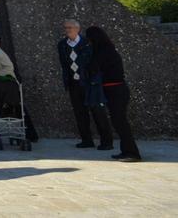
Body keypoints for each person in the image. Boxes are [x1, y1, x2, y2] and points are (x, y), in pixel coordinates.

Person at [84, 27, 141, 162]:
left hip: (115, 90)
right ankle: (126, 150)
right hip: (116, 90)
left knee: (120, 122)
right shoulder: (108, 49)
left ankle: (132, 153)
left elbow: (92, 67)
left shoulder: (103, 51)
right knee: (119, 122)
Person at [56, 19, 113, 150]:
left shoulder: (88, 43)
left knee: (98, 112)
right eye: (65, 28)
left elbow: (94, 62)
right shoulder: (62, 45)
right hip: (74, 84)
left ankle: (106, 141)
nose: (67, 30)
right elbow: (64, 64)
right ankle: (86, 140)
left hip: (89, 83)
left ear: (77, 29)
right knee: (80, 113)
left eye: (70, 27)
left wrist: (93, 78)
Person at [0, 34, 38, 142]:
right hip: (7, 87)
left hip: (7, 87)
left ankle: (29, 134)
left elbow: (8, 67)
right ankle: (29, 134)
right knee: (18, 109)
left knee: (14, 109)